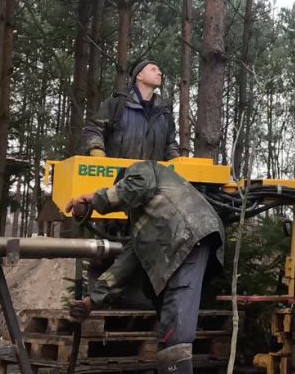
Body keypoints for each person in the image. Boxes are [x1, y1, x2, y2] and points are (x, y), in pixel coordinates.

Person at [66, 160, 224, 374]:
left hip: (187, 235)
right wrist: (91, 301)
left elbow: (135, 186)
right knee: (160, 304)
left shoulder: (141, 169)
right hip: (187, 241)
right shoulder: (142, 226)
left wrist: (96, 200)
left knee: (175, 332)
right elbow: (124, 265)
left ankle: (175, 362)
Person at [82, 59, 179, 160]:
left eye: (159, 70)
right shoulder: (117, 104)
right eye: (153, 69)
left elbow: (170, 144)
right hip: (119, 174)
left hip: (153, 174)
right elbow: (93, 129)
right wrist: (97, 151)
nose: (159, 73)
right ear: (139, 76)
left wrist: (177, 162)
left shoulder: (164, 111)